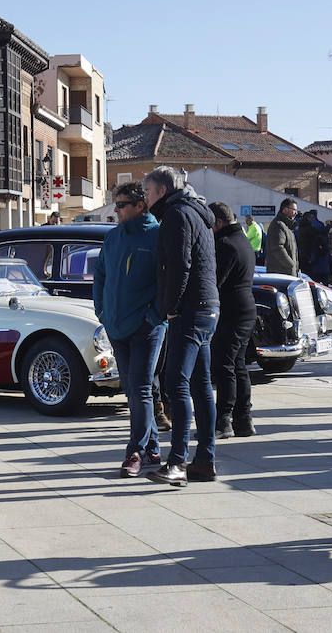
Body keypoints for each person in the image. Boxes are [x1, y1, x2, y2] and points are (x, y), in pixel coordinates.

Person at [141, 166, 220, 487]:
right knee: (200, 386)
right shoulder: (197, 212)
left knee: (176, 382)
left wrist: (170, 307)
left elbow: (179, 264)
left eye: (147, 193)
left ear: (162, 191)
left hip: (190, 309)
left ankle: (177, 463)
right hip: (207, 307)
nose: (145, 200)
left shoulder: (176, 215)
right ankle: (205, 461)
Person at [93, 182, 166, 478]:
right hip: (116, 325)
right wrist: (102, 311)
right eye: (115, 204)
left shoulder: (157, 236)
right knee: (132, 389)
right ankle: (152, 449)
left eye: (121, 205)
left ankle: (134, 450)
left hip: (146, 327)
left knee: (141, 388)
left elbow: (168, 280)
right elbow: (100, 276)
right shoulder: (113, 238)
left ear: (140, 206)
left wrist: (154, 315)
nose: (117, 210)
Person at [208, 201, 257, 440]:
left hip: (232, 313)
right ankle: (244, 421)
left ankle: (223, 421)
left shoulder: (226, 244)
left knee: (224, 366)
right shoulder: (243, 240)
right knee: (238, 366)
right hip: (246, 310)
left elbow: (216, 281)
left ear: (218, 222)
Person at [266, 198, 299, 276]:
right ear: (285, 210)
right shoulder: (278, 225)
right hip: (280, 273)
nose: (296, 213)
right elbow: (277, 247)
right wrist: (291, 265)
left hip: (286, 272)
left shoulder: (287, 226)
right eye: (294, 210)